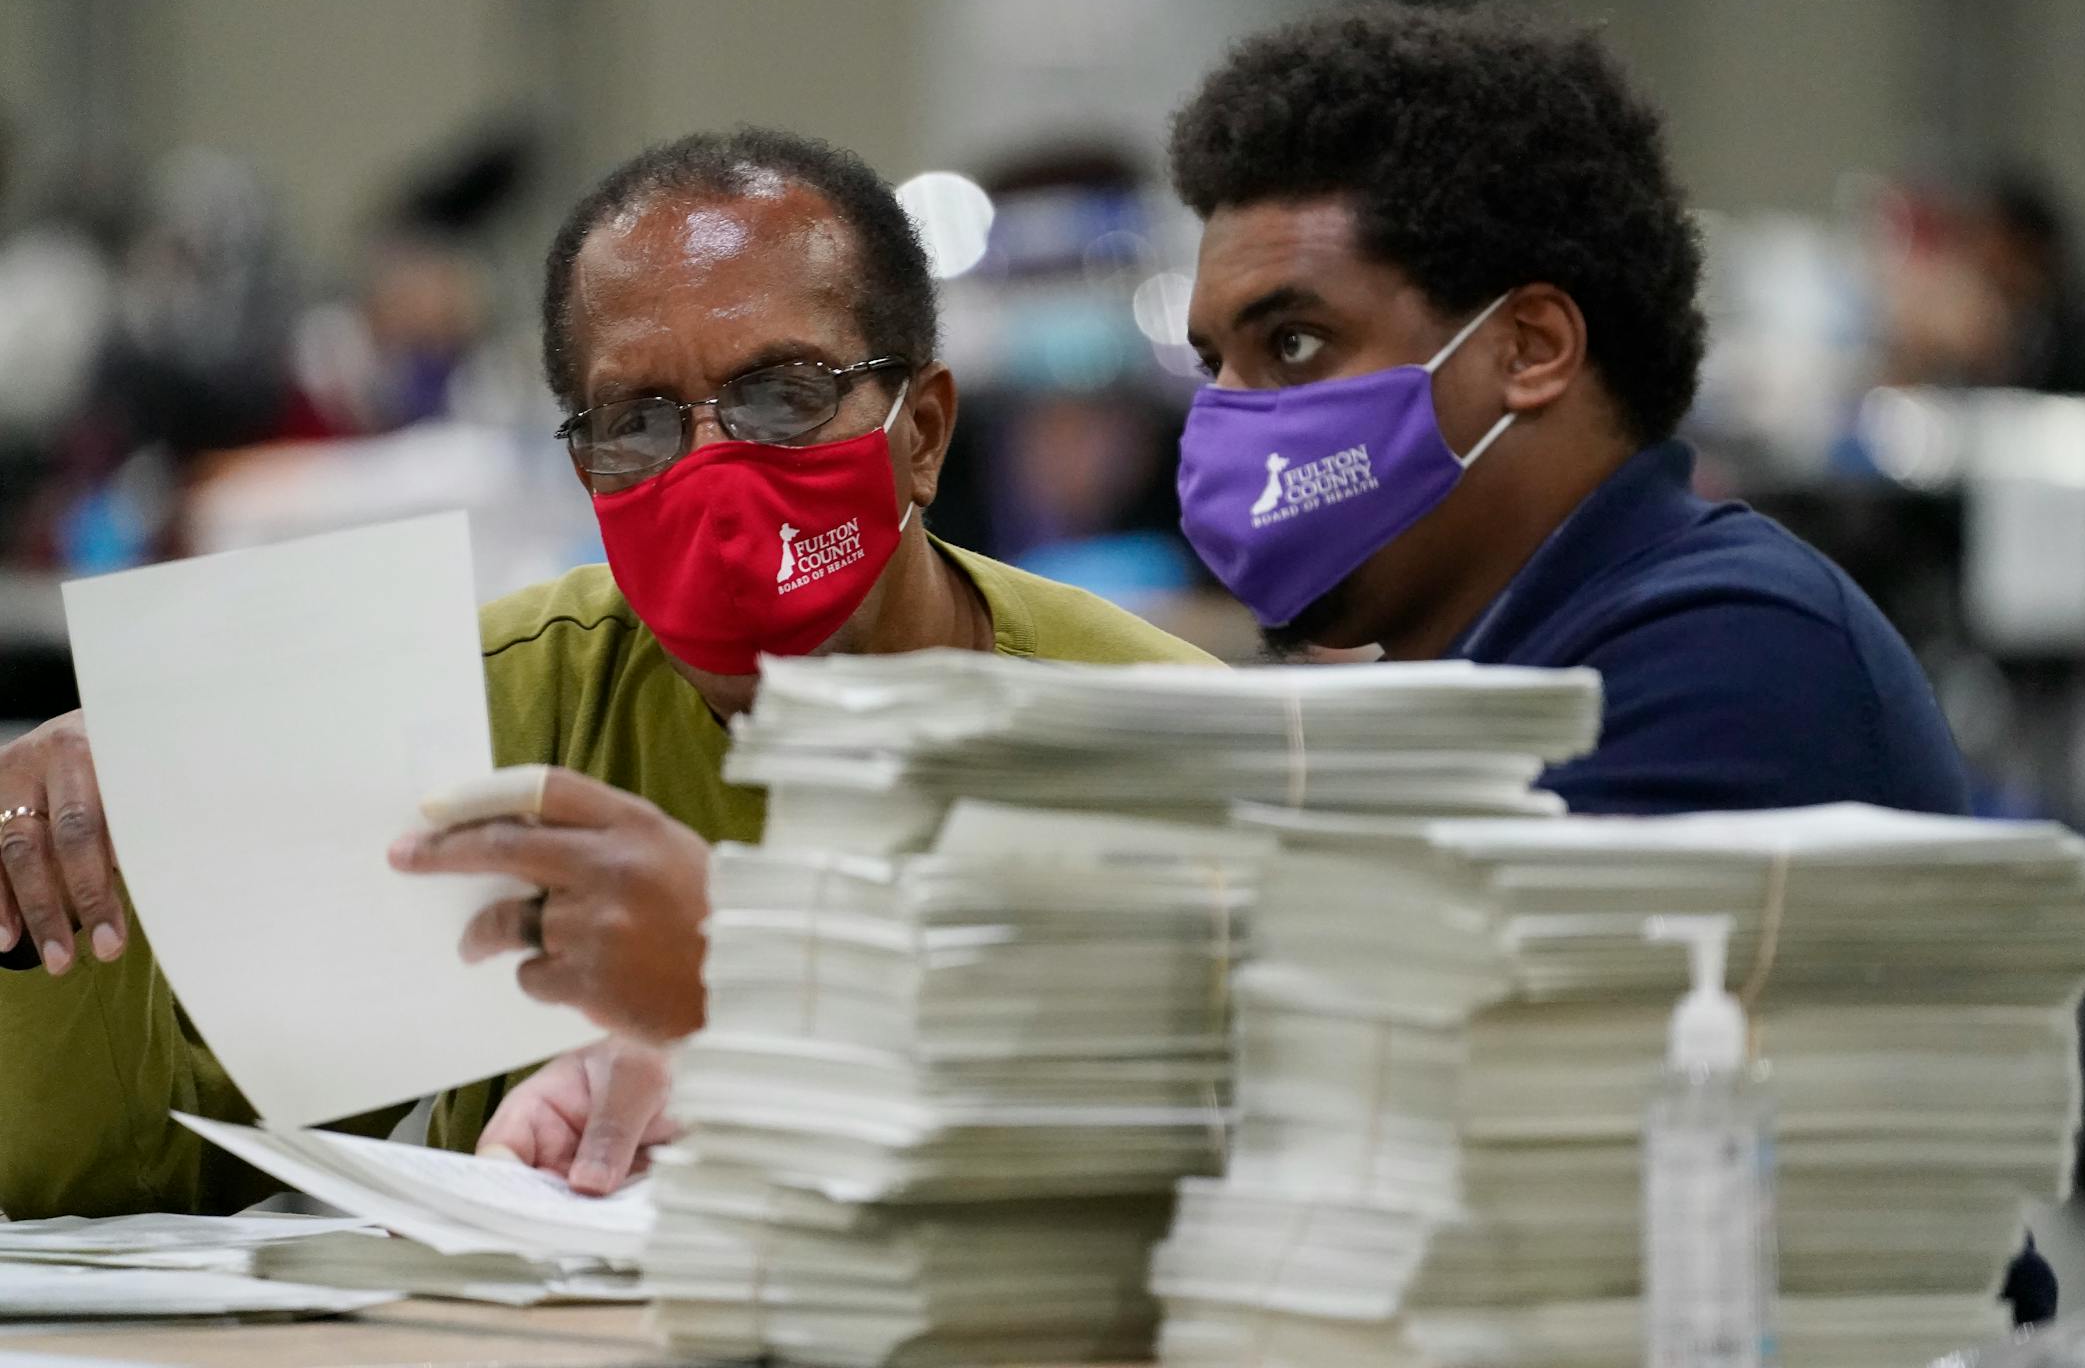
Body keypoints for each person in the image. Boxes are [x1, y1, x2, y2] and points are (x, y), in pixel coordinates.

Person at [0, 128, 1213, 1219]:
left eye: (784, 394)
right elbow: (126, 1168)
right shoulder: (477, 713)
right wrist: (52, 882)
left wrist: (758, 1000)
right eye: (638, 419)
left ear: (926, 433)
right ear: (583, 471)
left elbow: (1254, 1139)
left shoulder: (1162, 740)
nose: (716, 468)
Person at [1168, 2, 1966, 817]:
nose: (1224, 419)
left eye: (1295, 343)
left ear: (1529, 349)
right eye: (1211, 363)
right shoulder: (1493, 662)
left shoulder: (1728, 657)